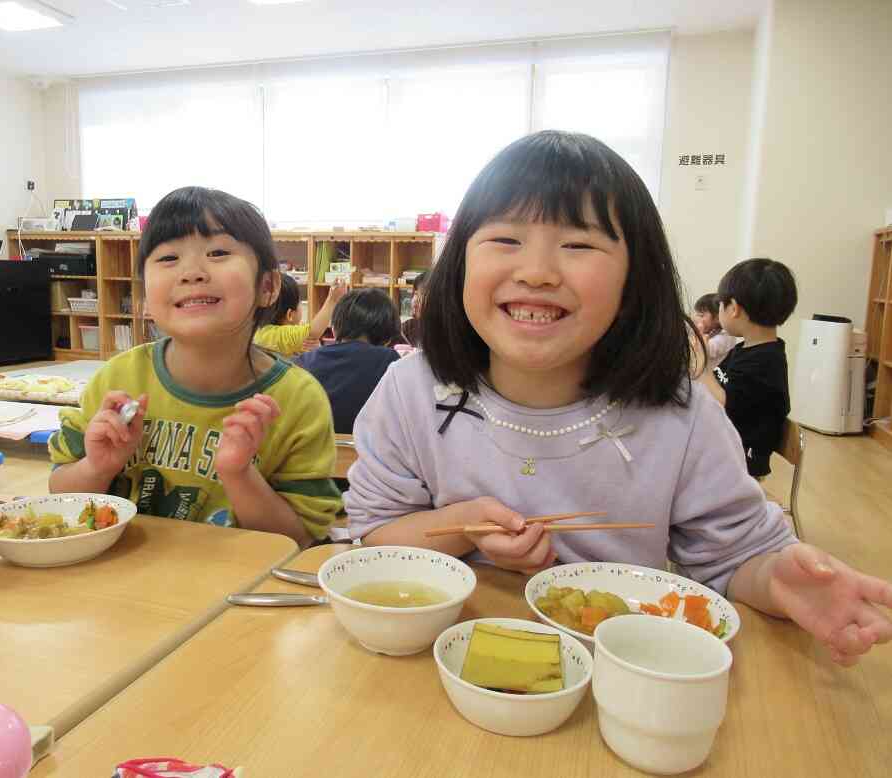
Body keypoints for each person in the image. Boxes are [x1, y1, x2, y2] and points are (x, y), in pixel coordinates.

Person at [343, 131, 891, 666]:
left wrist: (780, 579)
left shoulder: (680, 417)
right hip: (442, 665)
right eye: (505, 240)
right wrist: (463, 526)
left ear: (635, 280)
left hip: (619, 670)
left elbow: (739, 555)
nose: (535, 272)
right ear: (460, 262)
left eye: (578, 245)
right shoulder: (412, 390)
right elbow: (375, 537)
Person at [49, 186, 341, 545]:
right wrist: (97, 467)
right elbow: (59, 493)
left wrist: (238, 474)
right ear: (144, 293)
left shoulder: (297, 399)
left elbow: (299, 539)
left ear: (267, 285)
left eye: (218, 252)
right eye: (168, 258)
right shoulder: (118, 378)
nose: (190, 272)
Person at [694, 259, 796, 479]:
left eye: (720, 304)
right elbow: (716, 385)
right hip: (724, 446)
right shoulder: (745, 349)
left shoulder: (766, 361)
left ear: (734, 308)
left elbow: (722, 403)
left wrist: (700, 364)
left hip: (738, 461)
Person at [296, 288, 401, 434]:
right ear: (389, 335)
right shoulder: (390, 361)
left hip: (315, 452)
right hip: (368, 454)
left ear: (334, 329)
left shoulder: (305, 361)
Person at [253, 274, 347, 356]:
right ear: (290, 315)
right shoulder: (274, 335)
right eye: (300, 303)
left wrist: (315, 348)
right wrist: (332, 300)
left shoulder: (259, 330)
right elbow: (312, 332)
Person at [692, 292, 738, 370]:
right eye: (697, 315)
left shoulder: (726, 337)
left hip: (714, 378)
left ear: (717, 317)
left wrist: (699, 332)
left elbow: (702, 351)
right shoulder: (712, 332)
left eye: (701, 315)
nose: (698, 319)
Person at [401, 271, 428, 348]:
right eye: (415, 294)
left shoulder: (447, 332)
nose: (414, 300)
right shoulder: (407, 327)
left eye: (422, 295)